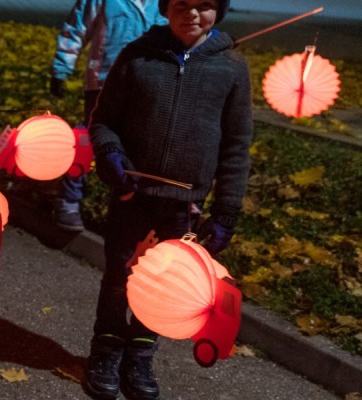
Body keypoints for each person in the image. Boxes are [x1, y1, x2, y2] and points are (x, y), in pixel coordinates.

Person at [85, 0, 249, 398]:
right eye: (181, 4)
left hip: (183, 206)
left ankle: (141, 354)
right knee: (118, 278)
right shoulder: (137, 55)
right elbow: (103, 120)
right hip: (132, 195)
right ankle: (106, 347)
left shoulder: (231, 67)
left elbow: (236, 146)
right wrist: (109, 154)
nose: (191, 13)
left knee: (163, 285)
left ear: (219, 10)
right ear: (166, 8)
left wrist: (226, 210)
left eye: (204, 5)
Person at [46, 0, 165, 232]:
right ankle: (68, 200)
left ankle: (122, 207)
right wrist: (61, 68)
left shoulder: (164, 3)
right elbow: (76, 27)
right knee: (88, 140)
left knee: (133, 145)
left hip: (145, 84)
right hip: (102, 81)